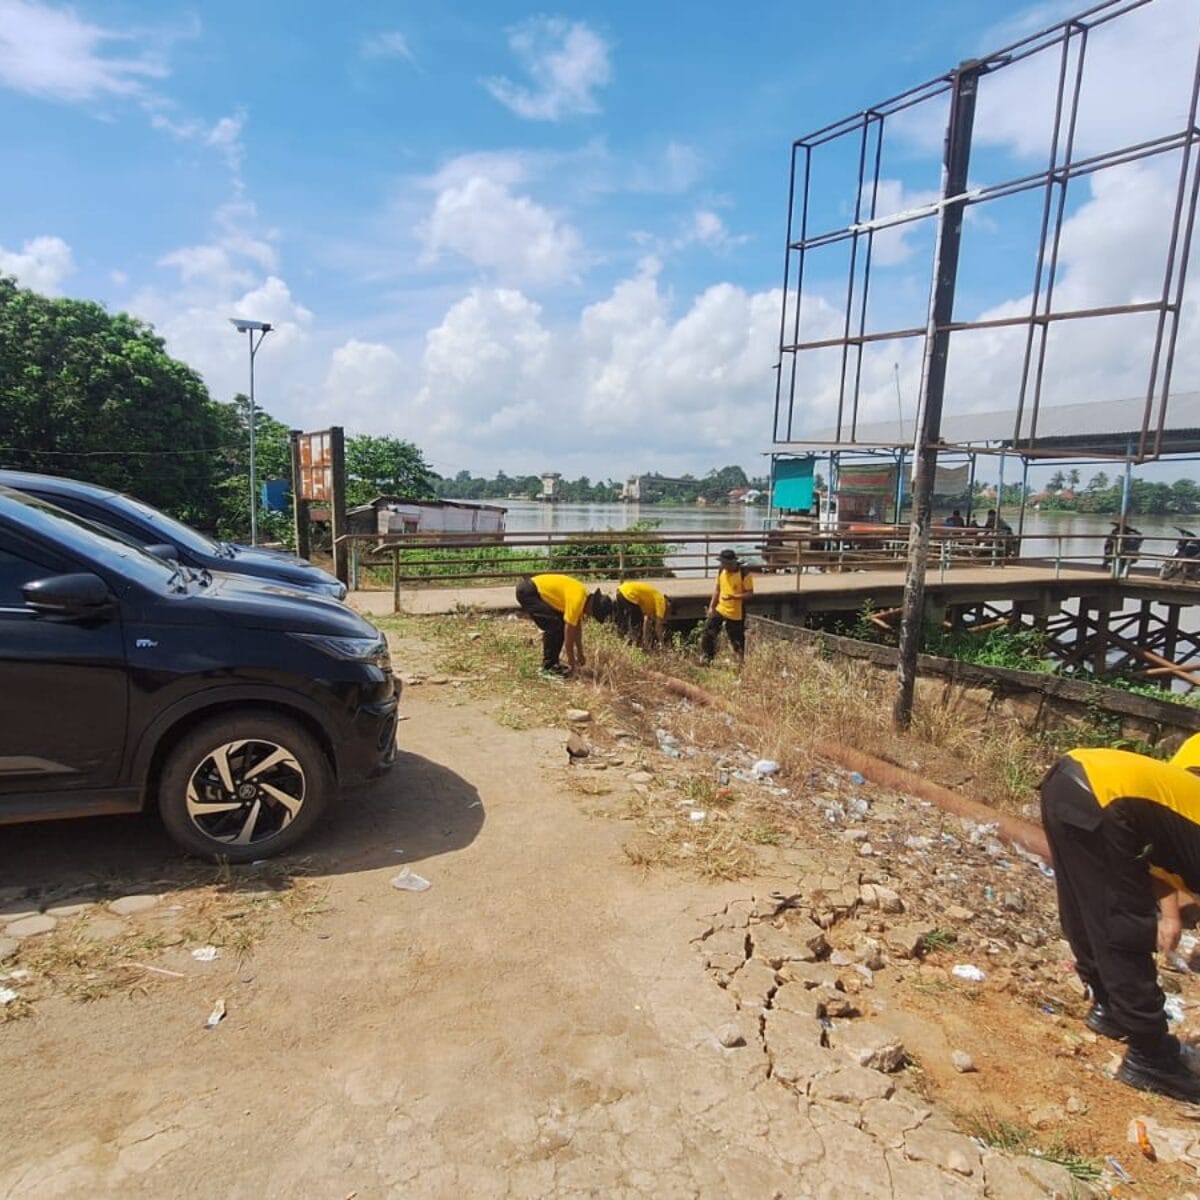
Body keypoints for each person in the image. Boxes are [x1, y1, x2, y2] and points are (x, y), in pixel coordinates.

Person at [1040, 733, 1200, 1101]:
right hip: (1104, 796)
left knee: (1086, 909)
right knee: (1120, 923)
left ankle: (1110, 1008)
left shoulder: (1183, 788)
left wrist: (1172, 916)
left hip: (1072, 775)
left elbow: (1156, 841)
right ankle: (1149, 1055)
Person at [515, 574, 612, 677]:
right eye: (593, 614)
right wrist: (572, 663)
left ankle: (553, 664)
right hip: (529, 592)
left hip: (533, 591)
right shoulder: (578, 600)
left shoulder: (583, 597)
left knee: (558, 624)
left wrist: (580, 653)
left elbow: (576, 629)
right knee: (554, 625)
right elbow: (568, 635)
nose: (589, 616)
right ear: (592, 607)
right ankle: (547, 668)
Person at [702, 549, 753, 664]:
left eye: (725, 563)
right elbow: (717, 589)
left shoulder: (744, 573)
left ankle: (739, 662)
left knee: (736, 638)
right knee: (708, 632)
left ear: (732, 562)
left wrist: (735, 597)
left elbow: (750, 593)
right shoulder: (721, 571)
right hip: (721, 608)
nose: (723, 565)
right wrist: (711, 606)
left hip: (736, 612)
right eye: (722, 563)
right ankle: (707, 658)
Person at [615, 580, 670, 650]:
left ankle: (631, 646)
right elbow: (658, 625)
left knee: (625, 624)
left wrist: (646, 642)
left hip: (621, 591)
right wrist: (662, 644)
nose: (667, 614)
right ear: (668, 604)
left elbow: (646, 621)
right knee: (636, 626)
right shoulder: (661, 601)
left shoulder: (651, 604)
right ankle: (627, 648)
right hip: (629, 594)